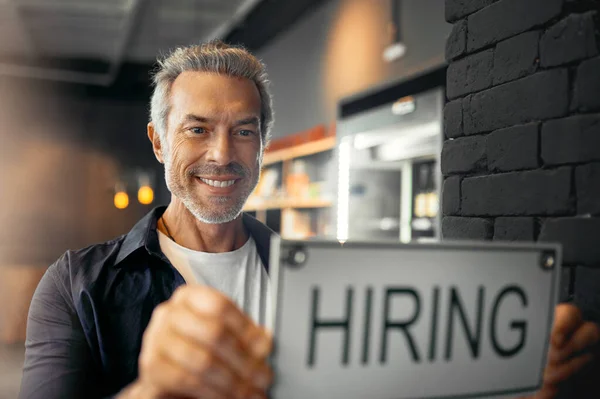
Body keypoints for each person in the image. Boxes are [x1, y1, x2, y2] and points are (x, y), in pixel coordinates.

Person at [19, 41, 599, 399]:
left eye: (244, 131)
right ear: (158, 141)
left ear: (262, 144)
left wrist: (513, 384)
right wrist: (153, 391)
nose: (223, 153)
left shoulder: (322, 281)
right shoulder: (76, 287)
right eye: (197, 129)